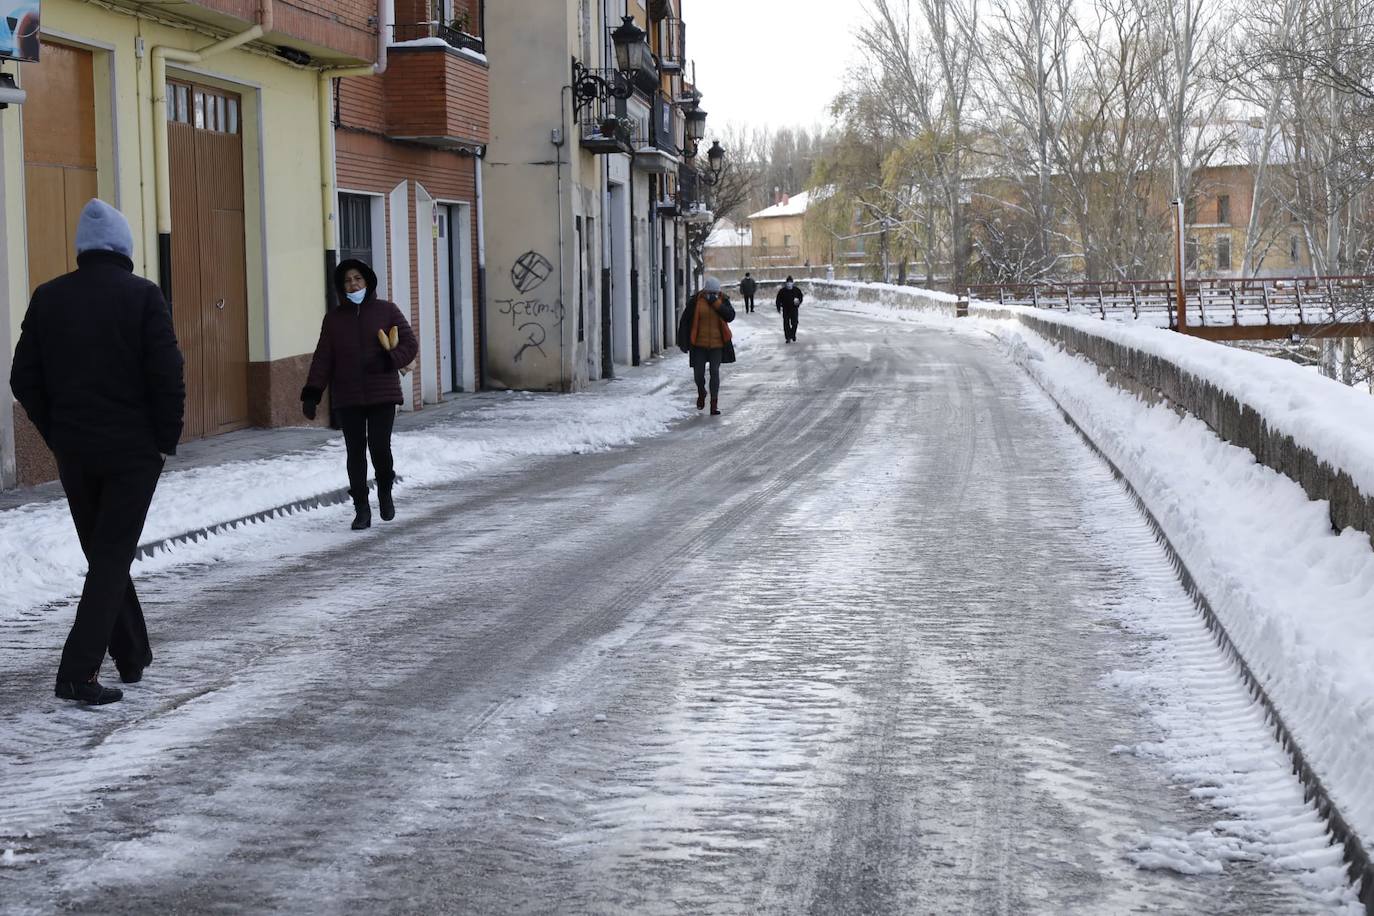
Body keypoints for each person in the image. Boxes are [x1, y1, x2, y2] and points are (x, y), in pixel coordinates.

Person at [10, 199, 186, 706]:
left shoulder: (48, 297)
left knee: (105, 553)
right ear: (125, 248)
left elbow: (23, 377)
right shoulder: (143, 296)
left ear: (83, 250)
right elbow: (166, 374)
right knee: (110, 557)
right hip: (132, 452)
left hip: (76, 452)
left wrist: (56, 431)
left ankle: (131, 656)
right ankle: (76, 673)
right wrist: (164, 438)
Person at [302, 259, 418, 531]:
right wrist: (312, 392)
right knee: (355, 453)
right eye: (347, 281)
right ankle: (361, 509)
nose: (353, 285)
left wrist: (388, 361)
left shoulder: (386, 310)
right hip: (348, 396)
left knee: (379, 447)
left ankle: (385, 490)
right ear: (341, 287)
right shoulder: (333, 320)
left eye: (357, 279)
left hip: (382, 393)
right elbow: (323, 358)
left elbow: (410, 344)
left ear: (367, 281)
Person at [676, 276, 736, 416]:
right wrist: (683, 341)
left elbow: (730, 316)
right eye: (710, 292)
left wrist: (716, 304)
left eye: (715, 293)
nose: (712, 295)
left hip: (717, 345)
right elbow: (685, 321)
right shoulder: (696, 301)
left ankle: (714, 404)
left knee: (714, 372)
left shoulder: (723, 300)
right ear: (705, 290)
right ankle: (701, 391)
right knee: (698, 375)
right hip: (699, 345)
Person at [776, 275, 805, 342]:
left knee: (795, 323)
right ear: (786, 283)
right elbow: (778, 299)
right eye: (788, 282)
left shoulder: (796, 290)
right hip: (786, 309)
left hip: (794, 309)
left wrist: (798, 302)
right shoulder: (782, 291)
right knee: (786, 323)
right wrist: (778, 307)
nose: (789, 283)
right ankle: (788, 337)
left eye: (790, 282)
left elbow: (800, 297)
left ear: (792, 283)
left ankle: (793, 334)